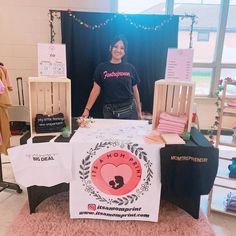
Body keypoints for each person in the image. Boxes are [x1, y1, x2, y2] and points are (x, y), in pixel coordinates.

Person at [81, 35, 142, 120]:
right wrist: (87, 109)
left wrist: (139, 112)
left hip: (130, 111)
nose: (118, 50)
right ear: (110, 48)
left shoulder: (130, 68)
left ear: (125, 51)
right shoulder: (101, 68)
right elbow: (95, 90)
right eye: (115, 46)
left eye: (122, 48)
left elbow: (135, 91)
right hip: (109, 112)